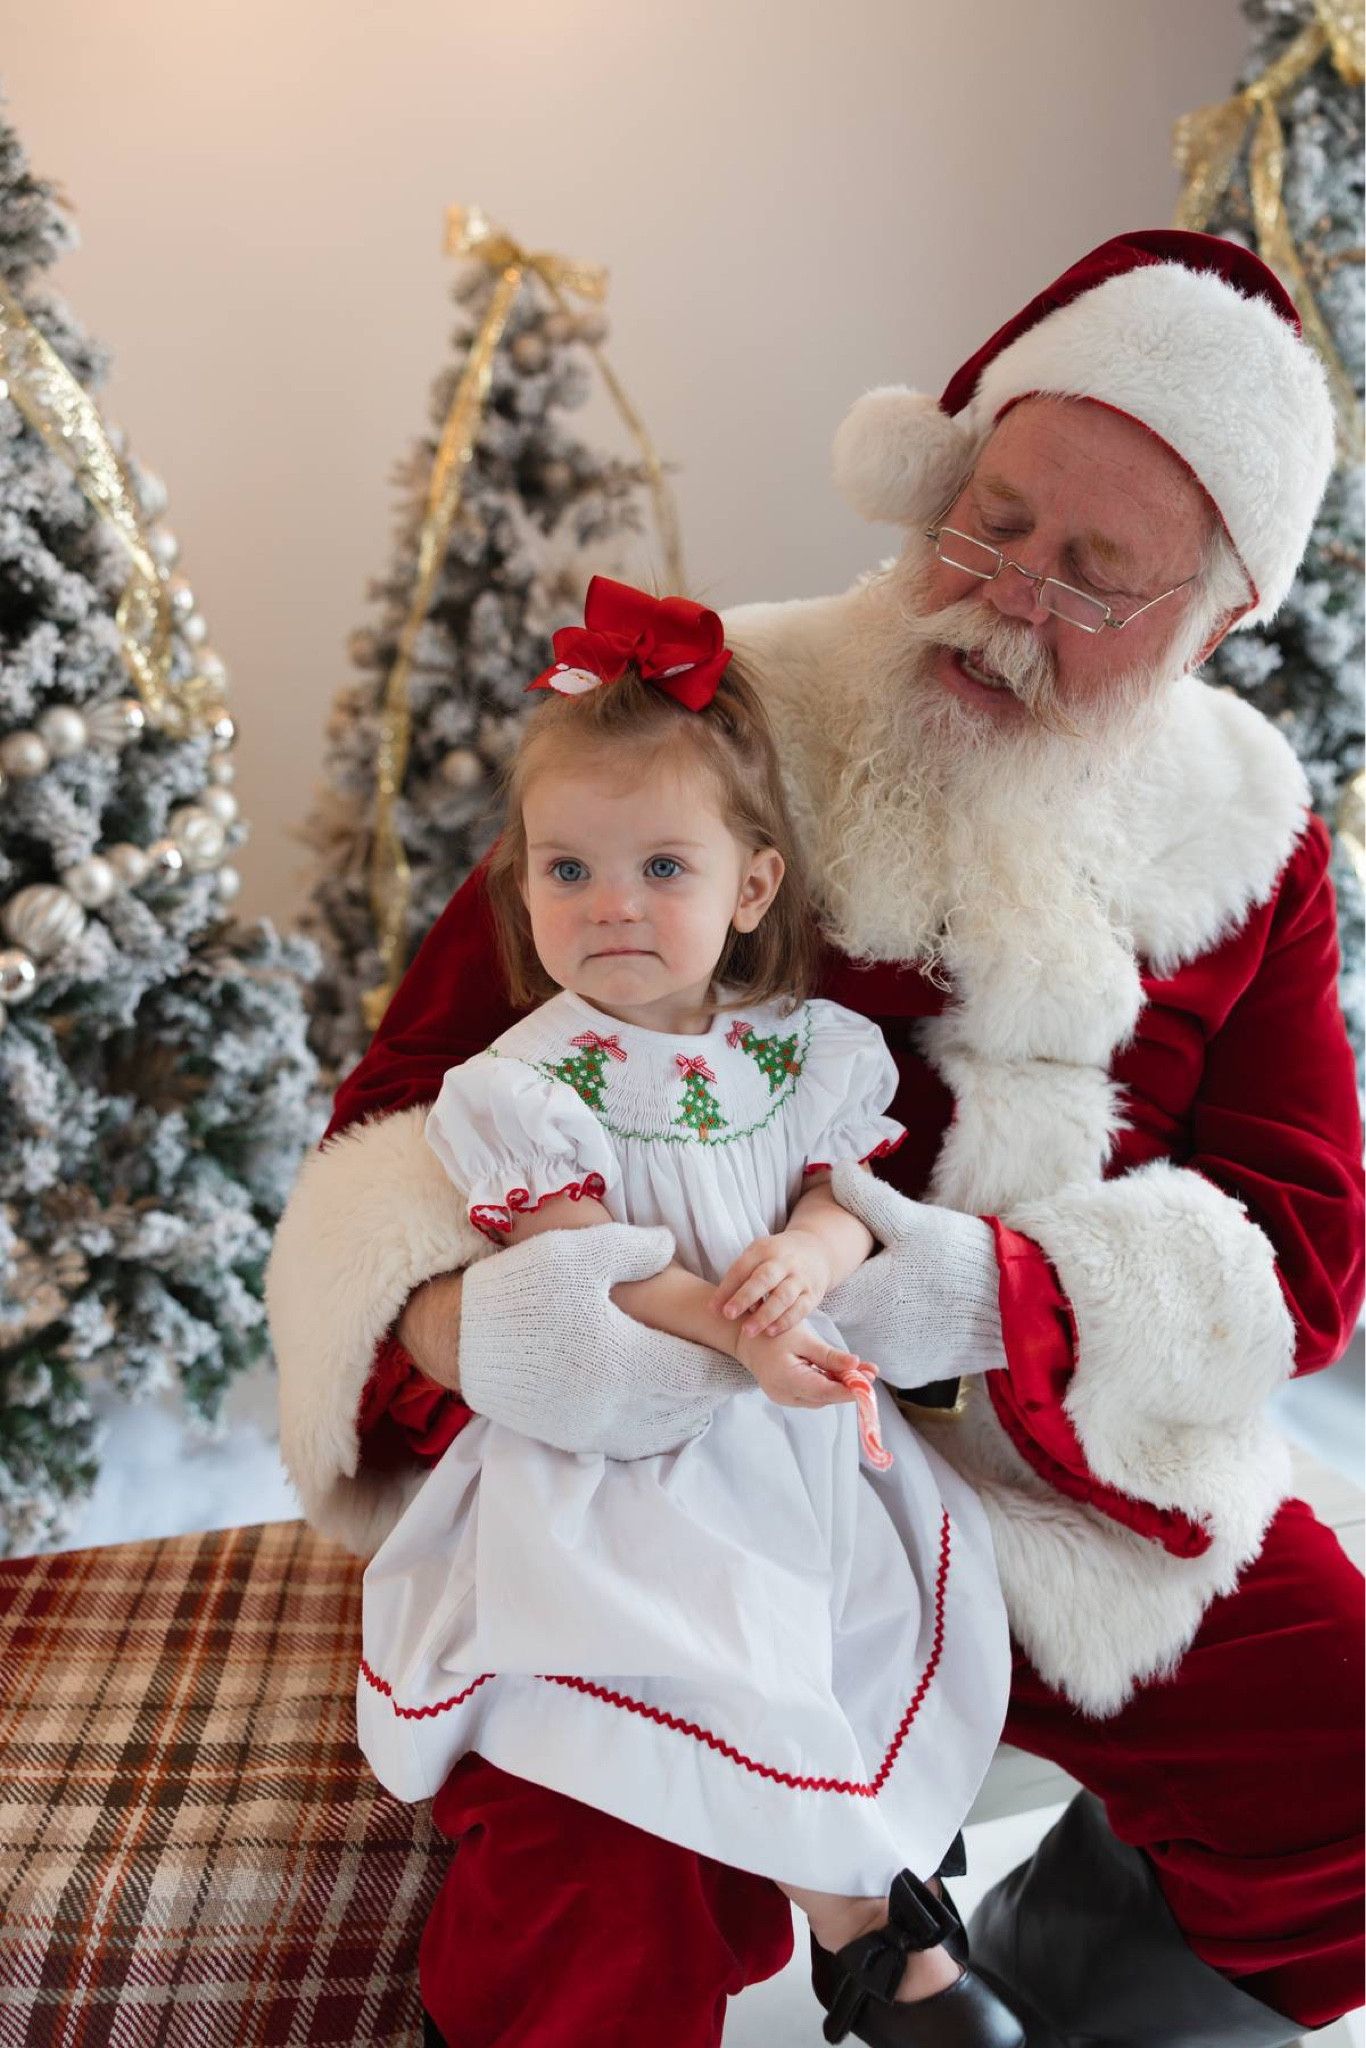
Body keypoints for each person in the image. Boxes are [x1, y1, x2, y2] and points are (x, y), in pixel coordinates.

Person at [268, 231, 1365, 2048]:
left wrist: (983, 1291)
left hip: (1039, 1481)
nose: (1007, 597)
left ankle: (1050, 1981)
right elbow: (395, 1124)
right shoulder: (721, 723)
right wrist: (487, 1337)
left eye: (1095, 580)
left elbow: (1302, 1248)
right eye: (992, 520)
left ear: (1218, 619)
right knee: (597, 1861)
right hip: (673, 1465)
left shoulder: (1247, 839)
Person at [358, 576, 1023, 2044]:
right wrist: (733, 1330)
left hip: (783, 1433)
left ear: (751, 888)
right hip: (623, 1453)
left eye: (663, 867)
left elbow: (855, 1188)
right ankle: (865, 1922)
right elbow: (583, 1265)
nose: (611, 908)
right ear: (522, 890)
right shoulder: (525, 1084)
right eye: (568, 872)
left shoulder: (806, 1053)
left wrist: (816, 1249)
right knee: (692, 1616)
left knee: (849, 1598)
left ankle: (867, 1886)